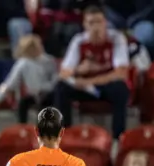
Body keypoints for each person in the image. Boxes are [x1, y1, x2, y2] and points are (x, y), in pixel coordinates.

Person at [54, 5, 130, 139]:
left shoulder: (116, 39)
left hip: (105, 86)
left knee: (121, 89)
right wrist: (78, 70)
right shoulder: (79, 41)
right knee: (61, 88)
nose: (96, 27)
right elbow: (64, 73)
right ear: (84, 25)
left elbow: (120, 73)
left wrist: (89, 81)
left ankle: (118, 138)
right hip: (84, 88)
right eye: (91, 23)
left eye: (99, 22)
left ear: (105, 23)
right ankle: (65, 136)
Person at [0, 34, 57, 123]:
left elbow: (55, 80)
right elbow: (9, 83)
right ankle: (22, 128)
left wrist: (45, 89)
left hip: (49, 93)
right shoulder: (23, 63)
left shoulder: (49, 61)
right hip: (33, 95)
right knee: (23, 102)